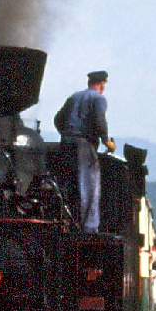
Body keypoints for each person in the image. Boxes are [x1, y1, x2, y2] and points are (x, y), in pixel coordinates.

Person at [54, 69, 115, 233]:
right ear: (102, 84)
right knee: (89, 186)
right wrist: (106, 140)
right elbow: (99, 120)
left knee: (65, 185)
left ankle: (62, 223)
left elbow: (58, 119)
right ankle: (89, 228)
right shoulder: (99, 98)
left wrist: (67, 133)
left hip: (66, 144)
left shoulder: (74, 97)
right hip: (84, 146)